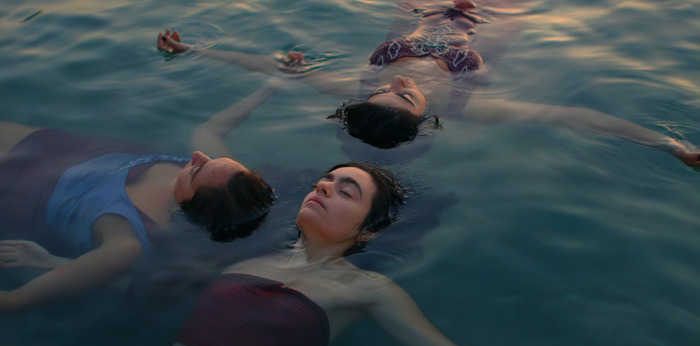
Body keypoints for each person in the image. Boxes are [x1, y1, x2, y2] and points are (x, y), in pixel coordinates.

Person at [147, 162, 556, 346]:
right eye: (324, 182)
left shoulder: (365, 289)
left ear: (368, 231)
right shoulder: (244, 255)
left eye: (346, 192)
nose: (325, 187)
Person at [156, 0, 700, 163]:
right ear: (426, 118)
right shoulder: (468, 107)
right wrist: (665, 142)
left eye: (386, 90)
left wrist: (191, 48)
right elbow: (574, 117)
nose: (399, 86)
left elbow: (265, 64)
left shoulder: (354, 89)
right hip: (494, 15)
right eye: (407, 97)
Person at [0, 80, 281, 313]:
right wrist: (272, 85)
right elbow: (209, 129)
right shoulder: (220, 181)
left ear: (191, 204)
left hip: (24, 189)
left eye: (197, 169)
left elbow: (16, 301)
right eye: (212, 159)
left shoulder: (127, 242)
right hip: (70, 149)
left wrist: (49, 261)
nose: (197, 155)